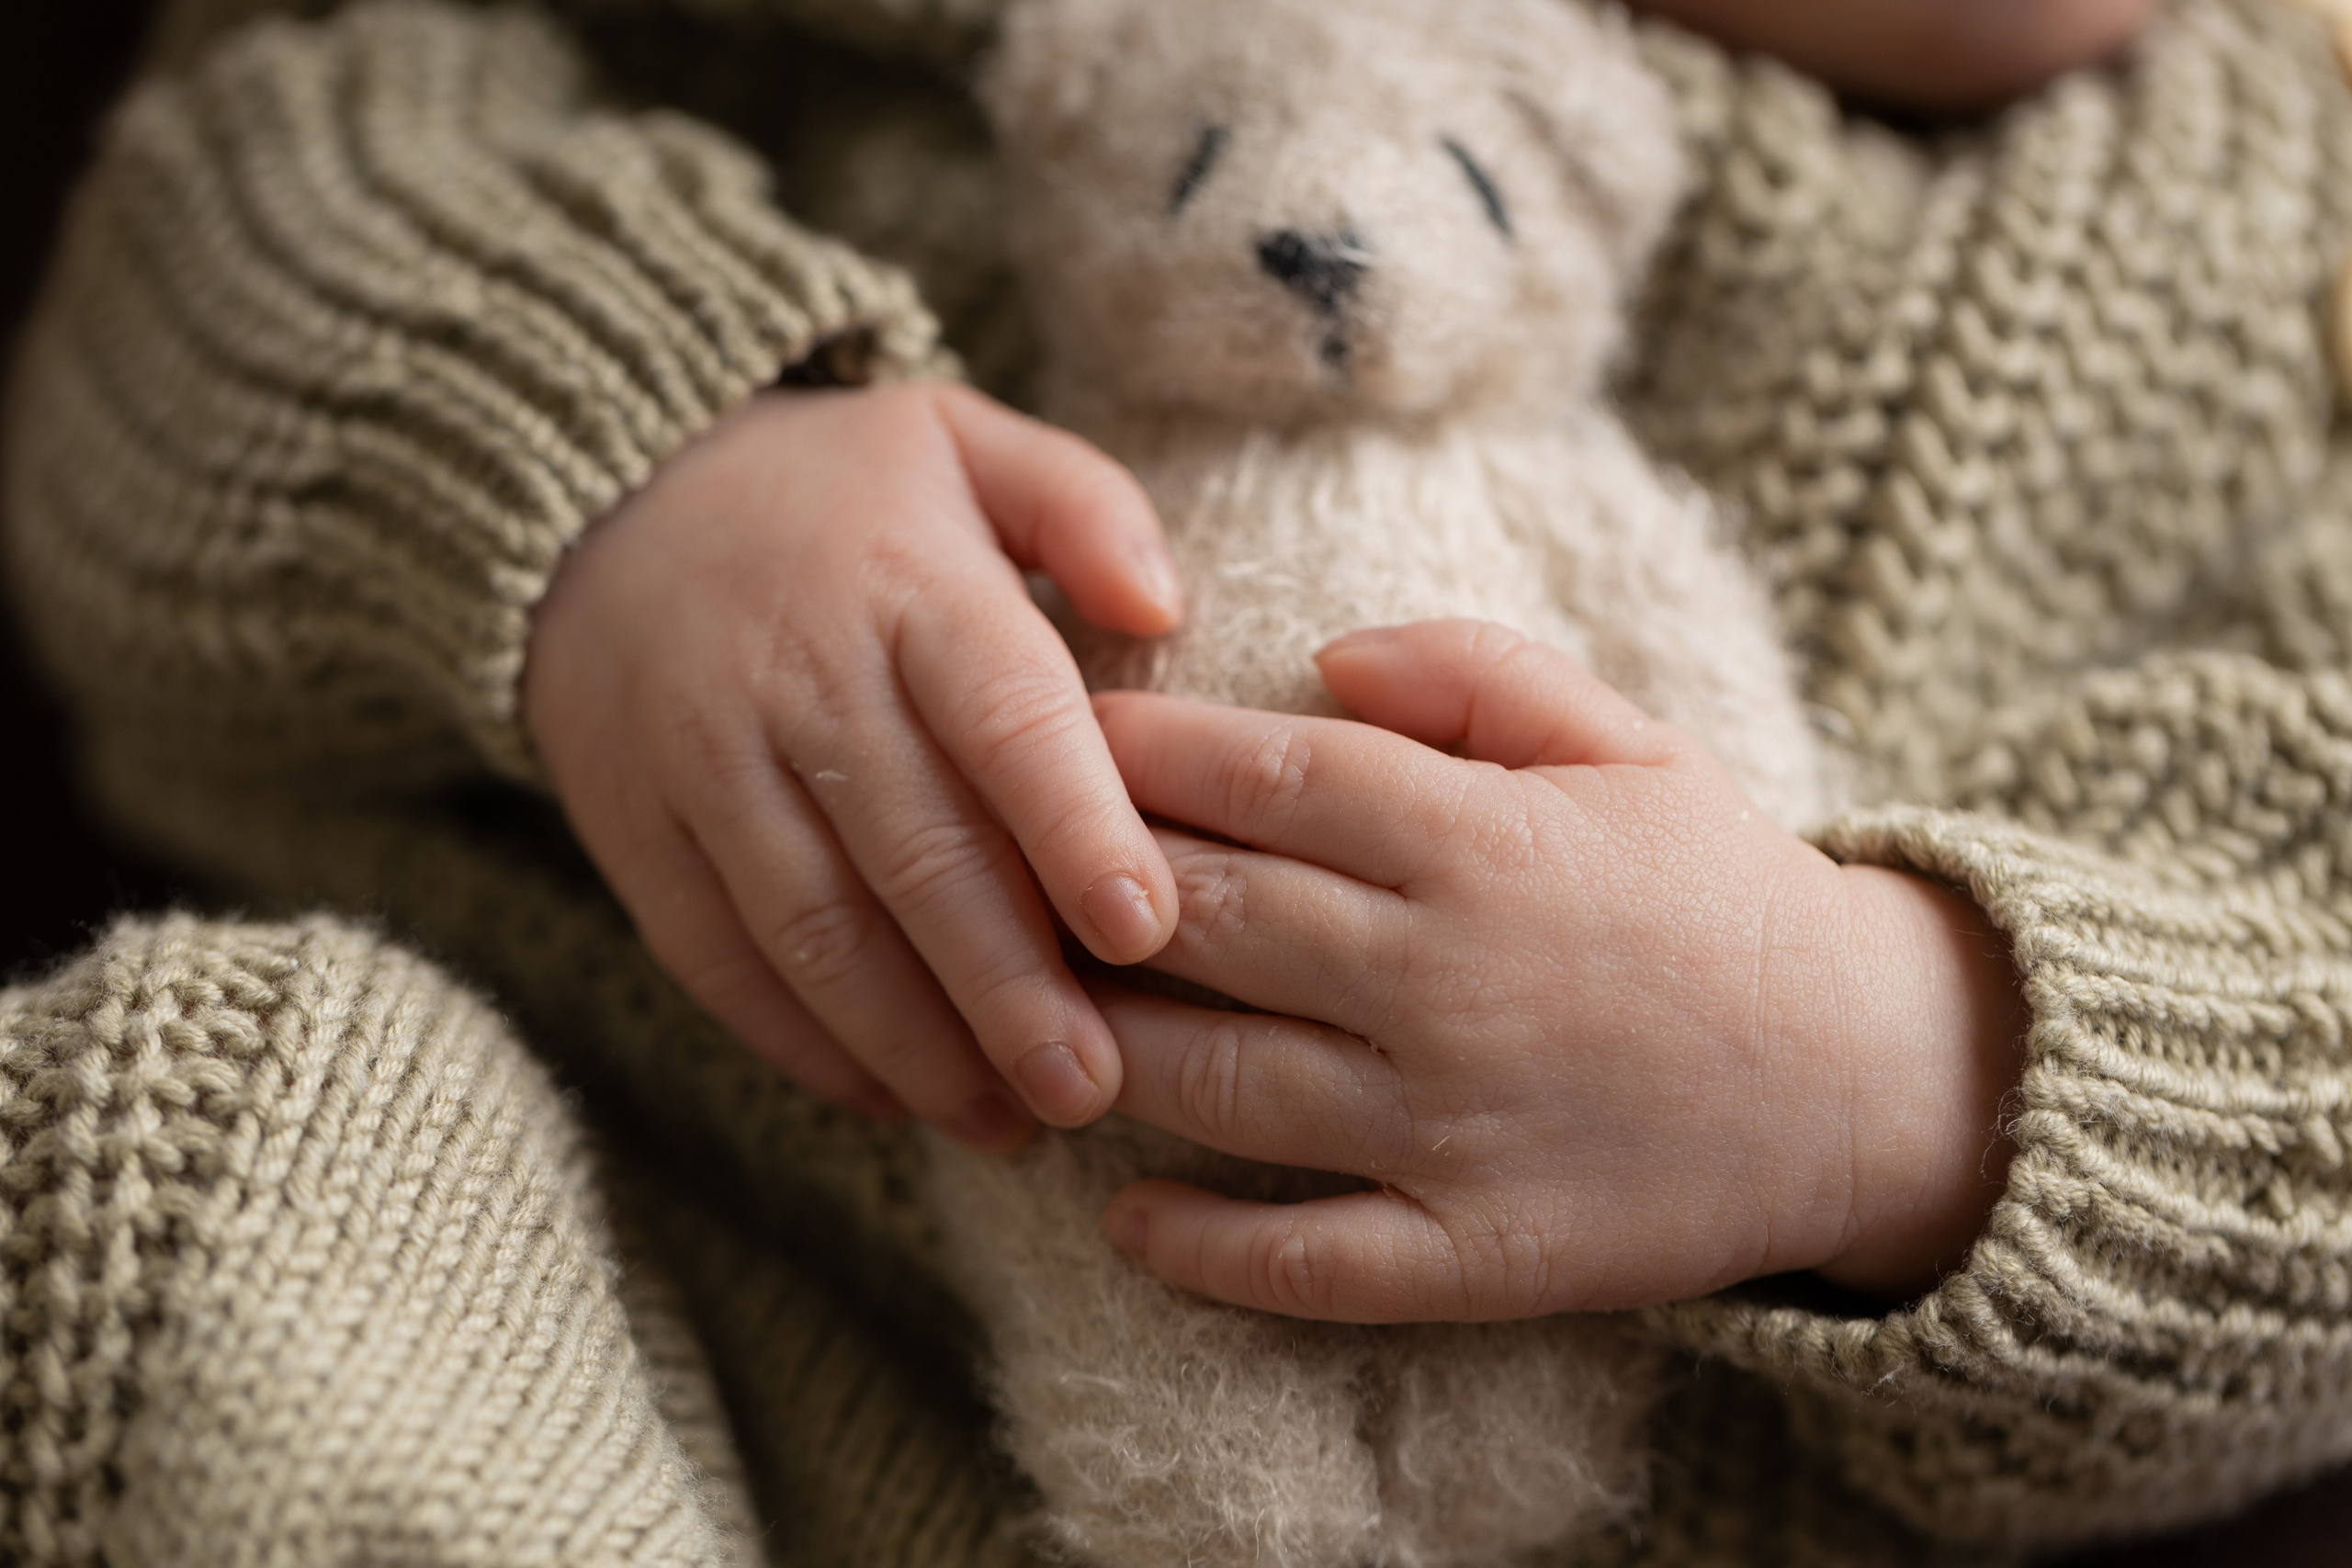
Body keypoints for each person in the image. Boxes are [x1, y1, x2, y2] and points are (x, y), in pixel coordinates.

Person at [4, 0, 2346, 1562]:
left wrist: (1893, 1063)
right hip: (711, 1370)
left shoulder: (2281, 242)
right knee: (210, 1125)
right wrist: (642, 464)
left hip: (1645, 1483)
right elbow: (244, 194)